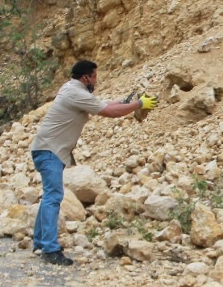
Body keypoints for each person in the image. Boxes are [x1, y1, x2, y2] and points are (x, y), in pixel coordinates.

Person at [29, 60, 156, 265]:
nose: (96, 80)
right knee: (53, 196)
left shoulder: (73, 89)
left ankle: (40, 242)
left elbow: (104, 104)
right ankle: (50, 250)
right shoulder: (76, 93)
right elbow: (109, 112)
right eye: (94, 76)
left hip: (47, 149)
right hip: (49, 151)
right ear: (86, 77)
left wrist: (126, 101)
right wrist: (139, 105)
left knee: (49, 196)